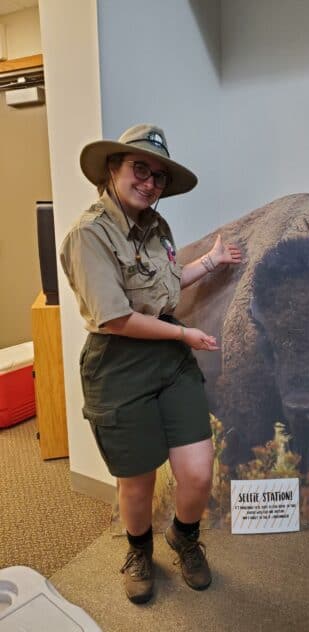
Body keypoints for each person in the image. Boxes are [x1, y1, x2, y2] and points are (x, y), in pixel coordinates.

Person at [60, 123, 241, 604]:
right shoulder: (88, 235)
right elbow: (116, 318)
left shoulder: (156, 227)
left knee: (199, 471)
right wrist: (185, 332)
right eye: (140, 168)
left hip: (168, 358)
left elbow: (161, 287)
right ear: (113, 169)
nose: (150, 182)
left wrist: (209, 263)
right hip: (117, 364)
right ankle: (139, 551)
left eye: (159, 176)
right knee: (137, 482)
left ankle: (184, 536)